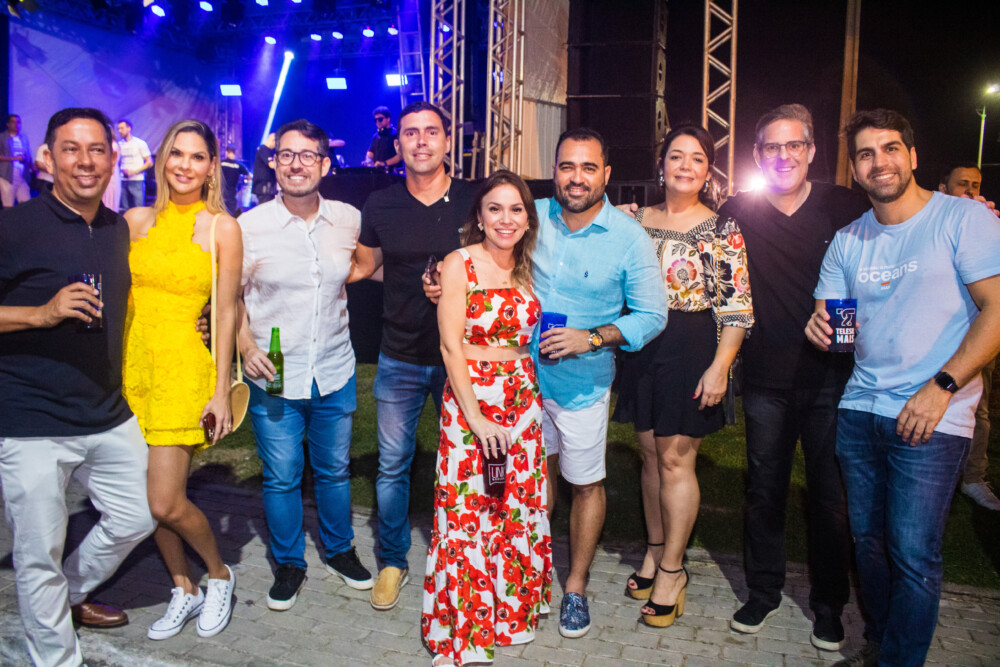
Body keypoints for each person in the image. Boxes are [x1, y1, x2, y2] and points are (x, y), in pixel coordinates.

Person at [427, 127, 667, 638]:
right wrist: (441, 282)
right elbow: (480, 254)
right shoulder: (530, 215)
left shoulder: (629, 238)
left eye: (588, 167)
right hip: (521, 387)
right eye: (566, 166)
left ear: (606, 174)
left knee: (586, 484)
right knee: (529, 488)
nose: (576, 177)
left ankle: (575, 587)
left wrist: (593, 337)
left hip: (582, 386)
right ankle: (523, 578)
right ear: (554, 170)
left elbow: (652, 315)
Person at [807, 108, 1000, 666]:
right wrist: (821, 329)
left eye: (890, 148)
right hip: (860, 410)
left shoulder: (963, 218)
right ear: (854, 169)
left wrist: (943, 386)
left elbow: (996, 310)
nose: (879, 162)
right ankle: (883, 643)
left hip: (933, 414)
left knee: (913, 553)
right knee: (868, 544)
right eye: (865, 154)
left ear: (912, 156)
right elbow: (840, 330)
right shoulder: (849, 240)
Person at [0, 107, 156, 667]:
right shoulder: (14, 226)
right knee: (37, 552)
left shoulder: (116, 229)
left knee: (138, 516)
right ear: (47, 157)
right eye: (71, 149)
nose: (85, 161)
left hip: (107, 412)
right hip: (31, 419)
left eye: (96, 150)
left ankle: (66, 594)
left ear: (113, 159)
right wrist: (40, 314)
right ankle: (56, 656)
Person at [712, 104, 869, 650]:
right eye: (772, 147)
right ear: (758, 155)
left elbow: (901, 228)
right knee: (764, 491)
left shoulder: (844, 205)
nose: (784, 156)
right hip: (765, 381)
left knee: (830, 499)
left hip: (832, 379)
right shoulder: (738, 210)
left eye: (794, 145)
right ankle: (763, 592)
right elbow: (694, 249)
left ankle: (829, 605)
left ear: (811, 150)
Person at [611, 125, 752, 628]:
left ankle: (674, 570)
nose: (685, 166)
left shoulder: (720, 229)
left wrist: (720, 367)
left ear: (708, 170)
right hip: (641, 344)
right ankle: (654, 552)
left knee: (675, 459)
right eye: (676, 156)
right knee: (650, 454)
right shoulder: (634, 221)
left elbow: (736, 307)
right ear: (662, 164)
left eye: (697, 158)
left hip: (690, 347)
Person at [237, 118, 373, 611]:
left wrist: (328, 285)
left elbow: (365, 264)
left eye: (308, 155)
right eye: (287, 155)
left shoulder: (348, 218)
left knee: (334, 470)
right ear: (274, 163)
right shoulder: (249, 226)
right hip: (274, 372)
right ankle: (290, 562)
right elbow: (229, 297)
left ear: (325, 164)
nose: (297, 164)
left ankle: (339, 551)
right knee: (282, 475)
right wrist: (245, 346)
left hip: (334, 367)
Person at [421, 170, 550, 666]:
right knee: (468, 512)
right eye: (495, 208)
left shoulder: (527, 266)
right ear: (479, 215)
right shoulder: (459, 263)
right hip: (470, 401)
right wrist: (474, 417)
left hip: (522, 402)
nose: (505, 219)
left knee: (514, 509)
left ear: (528, 218)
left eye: (516, 209)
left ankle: (509, 615)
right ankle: (467, 632)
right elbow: (450, 347)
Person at [353, 101, 478, 612]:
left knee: (465, 463)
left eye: (431, 132)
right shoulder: (380, 204)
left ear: (448, 141)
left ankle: (464, 557)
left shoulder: (474, 200)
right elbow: (364, 266)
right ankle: (393, 561)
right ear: (398, 143)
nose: (421, 141)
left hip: (462, 357)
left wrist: (457, 288)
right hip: (400, 354)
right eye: (410, 133)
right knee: (392, 466)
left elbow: (501, 263)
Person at [122, 119, 240, 641]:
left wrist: (220, 390)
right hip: (131, 371)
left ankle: (219, 574)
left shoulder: (222, 228)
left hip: (182, 371)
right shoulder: (134, 221)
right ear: (162, 160)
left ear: (211, 167)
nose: (185, 165)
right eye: (176, 153)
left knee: (165, 501)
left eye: (196, 156)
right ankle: (182, 586)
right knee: (145, 497)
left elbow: (227, 312)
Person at [939, 163, 1000, 510]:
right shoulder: (931, 221)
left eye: (975, 185)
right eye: (962, 184)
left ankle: (974, 477)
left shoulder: (987, 222)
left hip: (979, 332)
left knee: (980, 408)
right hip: (939, 333)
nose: (970, 191)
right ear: (943, 189)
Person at [117, 119, 153, 210]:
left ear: (129, 128)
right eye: (118, 129)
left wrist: (135, 171)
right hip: (123, 180)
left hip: (136, 180)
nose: (120, 131)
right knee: (125, 208)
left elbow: (149, 162)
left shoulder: (139, 143)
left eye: (122, 128)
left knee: (138, 208)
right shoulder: (119, 144)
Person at [0, 114, 34, 207]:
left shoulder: (23, 138)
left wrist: (31, 166)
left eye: (18, 122)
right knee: (8, 206)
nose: (16, 124)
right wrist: (14, 158)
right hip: (7, 176)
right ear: (8, 124)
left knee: (26, 205)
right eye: (13, 122)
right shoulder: (2, 137)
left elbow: (28, 154)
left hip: (22, 176)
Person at [220, 144, 249, 216]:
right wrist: (242, 188)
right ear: (235, 153)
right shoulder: (238, 165)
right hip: (232, 192)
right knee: (232, 213)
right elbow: (249, 176)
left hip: (221, 191)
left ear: (226, 152)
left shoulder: (221, 163)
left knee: (221, 211)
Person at [251, 133, 277, 205]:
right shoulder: (263, 150)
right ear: (273, 140)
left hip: (268, 188)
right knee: (265, 208)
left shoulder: (268, 151)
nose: (275, 146)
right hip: (264, 188)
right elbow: (271, 165)